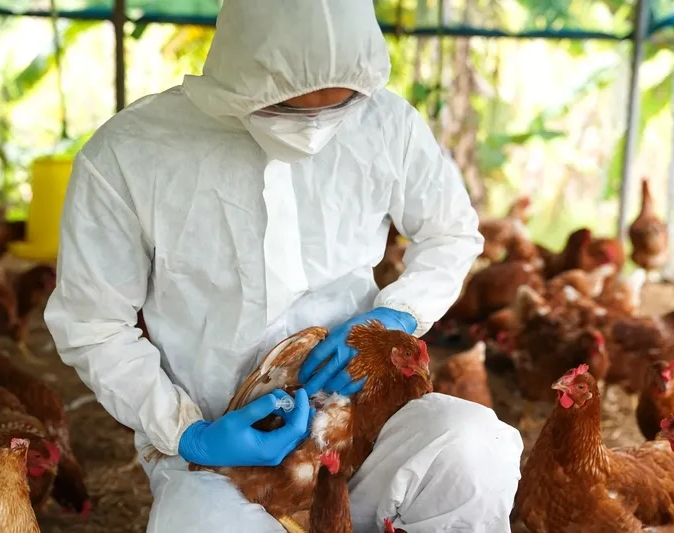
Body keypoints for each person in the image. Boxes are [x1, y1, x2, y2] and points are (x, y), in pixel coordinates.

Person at [44, 0, 523, 531]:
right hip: (223, 453)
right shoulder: (130, 155)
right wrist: (186, 431)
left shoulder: (388, 125)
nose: (316, 128)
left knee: (474, 447)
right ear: (241, 78)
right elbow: (93, 323)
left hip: (360, 424)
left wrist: (398, 316)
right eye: (288, 108)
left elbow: (451, 231)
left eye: (340, 106)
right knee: (198, 524)